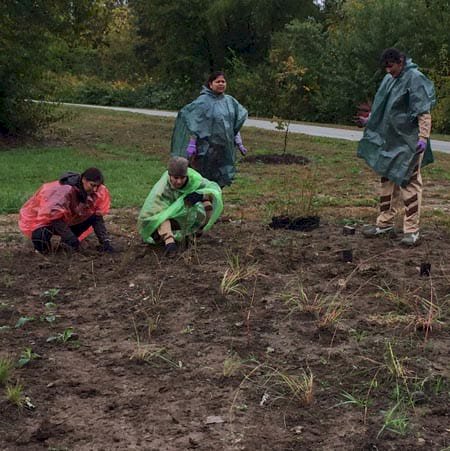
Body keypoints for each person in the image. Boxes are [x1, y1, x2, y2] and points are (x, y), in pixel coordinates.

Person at [356, 48, 436, 246]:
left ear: (400, 61)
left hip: (410, 141)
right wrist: (370, 121)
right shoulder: (390, 78)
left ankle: (412, 230)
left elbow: (423, 111)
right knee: (387, 179)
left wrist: (423, 137)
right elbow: (384, 107)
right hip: (390, 141)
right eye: (386, 68)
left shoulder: (415, 78)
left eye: (391, 67)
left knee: (409, 182)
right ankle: (384, 224)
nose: (388, 71)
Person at [170, 71, 248, 188]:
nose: (221, 84)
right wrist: (192, 144)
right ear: (210, 84)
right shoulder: (202, 102)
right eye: (218, 82)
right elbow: (194, 124)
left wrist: (239, 142)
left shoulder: (230, 102)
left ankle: (214, 200)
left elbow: (233, 124)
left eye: (223, 81)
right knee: (203, 177)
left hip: (223, 149)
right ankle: (201, 200)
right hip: (205, 150)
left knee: (220, 176)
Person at [138, 157, 223, 257]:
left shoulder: (194, 179)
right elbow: (152, 213)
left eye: (182, 178)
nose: (179, 182)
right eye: (176, 178)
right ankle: (169, 243)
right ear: (170, 176)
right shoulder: (162, 188)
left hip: (188, 213)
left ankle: (194, 234)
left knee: (207, 205)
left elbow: (213, 191)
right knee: (160, 218)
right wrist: (165, 236)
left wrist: (201, 195)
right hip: (168, 218)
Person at [19, 168, 114, 253]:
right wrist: (71, 238)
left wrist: (105, 241)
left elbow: (97, 216)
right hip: (47, 220)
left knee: (93, 216)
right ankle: (41, 250)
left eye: (97, 186)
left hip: (68, 220)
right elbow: (54, 217)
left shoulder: (96, 191)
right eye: (92, 185)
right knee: (41, 238)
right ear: (84, 180)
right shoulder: (64, 191)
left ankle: (67, 244)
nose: (95, 189)